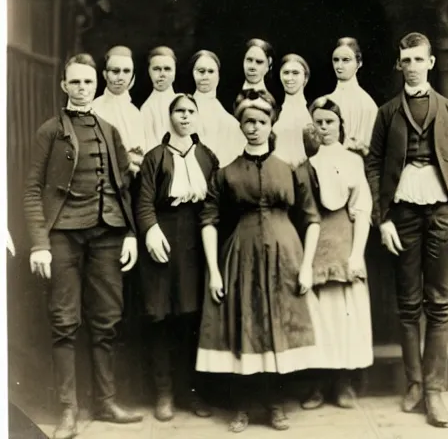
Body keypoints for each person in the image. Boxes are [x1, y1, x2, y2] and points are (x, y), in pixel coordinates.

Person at [24, 53, 143, 439]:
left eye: (88, 82)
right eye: (75, 82)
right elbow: (30, 190)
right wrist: (39, 243)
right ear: (64, 86)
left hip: (107, 234)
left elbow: (125, 188)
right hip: (63, 237)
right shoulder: (48, 131)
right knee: (64, 322)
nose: (82, 88)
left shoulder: (110, 130)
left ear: (97, 84)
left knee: (107, 319)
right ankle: (68, 410)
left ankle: (105, 402)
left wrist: (129, 233)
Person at [365, 32, 448, 428]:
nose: (411, 65)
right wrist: (382, 219)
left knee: (439, 303)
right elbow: (373, 166)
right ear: (399, 65)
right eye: (405, 60)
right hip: (403, 215)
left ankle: (435, 390)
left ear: (430, 63)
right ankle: (414, 383)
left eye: (418, 59)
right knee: (409, 303)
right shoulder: (387, 113)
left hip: (444, 213)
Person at [196, 89, 325, 433]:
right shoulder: (225, 173)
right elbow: (208, 220)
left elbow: (312, 218)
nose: (254, 127)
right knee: (244, 325)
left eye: (261, 121)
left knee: (277, 327)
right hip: (242, 256)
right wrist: (213, 272)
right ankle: (241, 405)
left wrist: (308, 265)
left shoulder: (291, 170)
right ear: (240, 126)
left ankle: (275, 404)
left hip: (286, 257)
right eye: (247, 122)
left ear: (272, 126)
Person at [136, 93, 217, 422]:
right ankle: (164, 393)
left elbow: (214, 201)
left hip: (195, 242)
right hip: (162, 240)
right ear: (169, 117)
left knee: (191, 318)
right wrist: (151, 230)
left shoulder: (208, 156)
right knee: (161, 318)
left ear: (197, 116)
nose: (185, 116)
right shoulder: (155, 157)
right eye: (179, 111)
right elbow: (142, 202)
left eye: (190, 111)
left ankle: (190, 392)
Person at [299, 98, 373, 410]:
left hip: (344, 238)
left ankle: (343, 382)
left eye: (330, 121)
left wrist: (356, 253)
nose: (325, 127)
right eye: (320, 122)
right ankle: (317, 384)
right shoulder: (306, 166)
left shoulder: (353, 161)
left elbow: (362, 208)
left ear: (340, 124)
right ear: (312, 126)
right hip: (316, 243)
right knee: (318, 317)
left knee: (345, 316)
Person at [91, 45, 145, 173]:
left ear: (132, 75)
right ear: (105, 74)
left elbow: (141, 153)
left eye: (126, 71)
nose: (121, 77)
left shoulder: (136, 113)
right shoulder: (94, 108)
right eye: (115, 71)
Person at [191, 50, 245, 167]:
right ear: (193, 74)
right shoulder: (184, 108)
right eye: (201, 71)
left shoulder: (229, 121)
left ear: (218, 76)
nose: (205, 76)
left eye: (211, 71)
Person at [328, 37, 378, 157]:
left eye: (346, 60)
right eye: (336, 60)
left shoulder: (367, 104)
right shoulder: (326, 101)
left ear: (359, 63)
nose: (339, 66)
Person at [273, 54, 312, 168]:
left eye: (295, 73)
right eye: (286, 73)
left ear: (305, 77)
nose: (289, 78)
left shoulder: (313, 110)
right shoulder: (275, 111)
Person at [141, 46, 178, 151]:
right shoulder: (147, 108)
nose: (162, 74)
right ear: (149, 72)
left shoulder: (184, 102)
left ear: (174, 72)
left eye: (167, 69)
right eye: (157, 69)